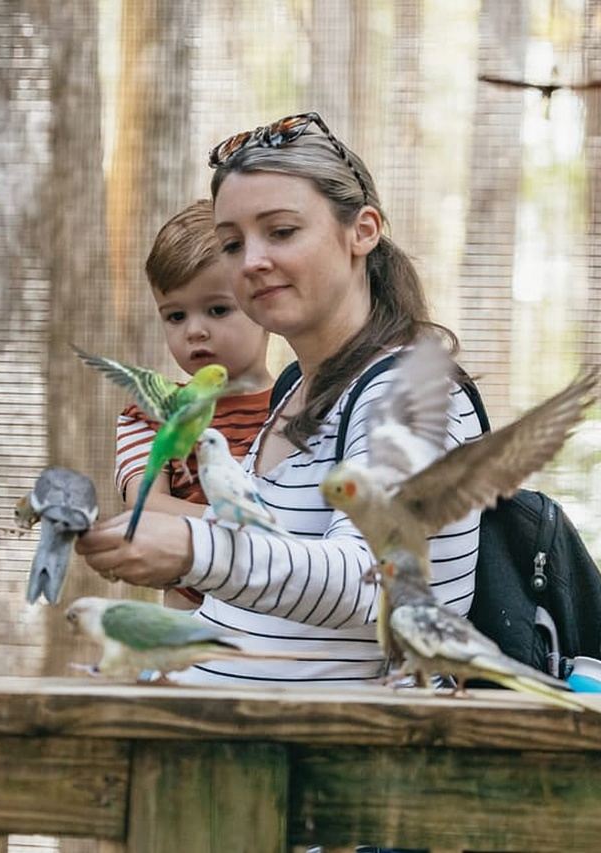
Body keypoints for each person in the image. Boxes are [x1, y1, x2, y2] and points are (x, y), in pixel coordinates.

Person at [78, 112, 482, 685]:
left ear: (362, 231)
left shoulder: (409, 392)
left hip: (342, 762)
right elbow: (265, 590)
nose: (252, 261)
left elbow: (377, 585)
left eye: (282, 231)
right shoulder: (295, 387)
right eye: (232, 243)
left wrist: (195, 548)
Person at [113, 199, 274, 608]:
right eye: (175, 316)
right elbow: (145, 504)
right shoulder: (151, 413)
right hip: (189, 632)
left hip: (283, 622)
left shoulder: (304, 405)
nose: (195, 331)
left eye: (217, 309)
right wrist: (249, 530)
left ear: (264, 302)